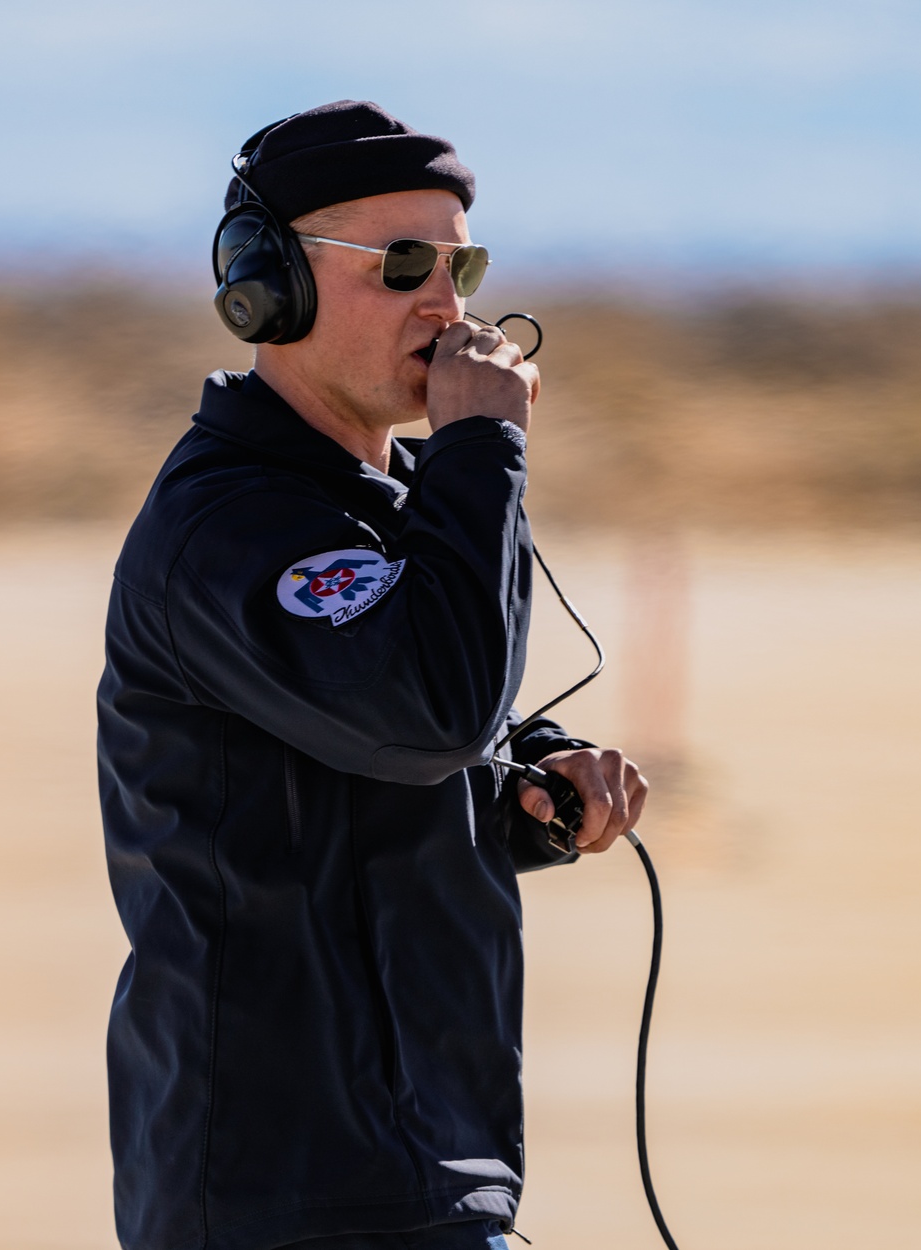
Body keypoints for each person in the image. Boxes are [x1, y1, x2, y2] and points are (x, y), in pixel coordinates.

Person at [97, 100, 647, 1250]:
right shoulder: (237, 526)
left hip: (412, 1168)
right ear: (266, 284)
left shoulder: (383, 514)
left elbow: (373, 776)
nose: (446, 304)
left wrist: (522, 800)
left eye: (461, 265)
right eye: (400, 264)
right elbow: (429, 709)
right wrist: (482, 447)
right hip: (282, 1191)